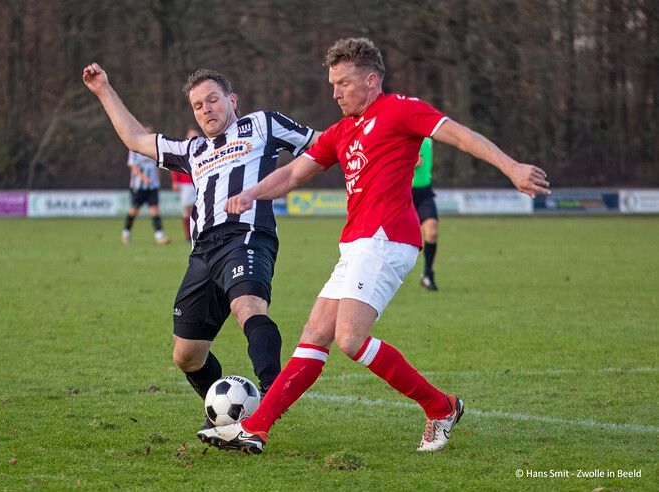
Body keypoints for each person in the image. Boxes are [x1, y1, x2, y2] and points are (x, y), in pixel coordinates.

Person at [198, 37, 550, 454]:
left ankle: (440, 407)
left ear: (370, 80)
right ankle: (256, 429)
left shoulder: (400, 109)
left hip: (388, 239)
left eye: (343, 83)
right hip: (356, 245)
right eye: (331, 84)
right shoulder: (341, 132)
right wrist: (252, 194)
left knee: (350, 338)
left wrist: (512, 168)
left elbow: (459, 135)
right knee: (314, 336)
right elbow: (292, 175)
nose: (334, 93)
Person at [83, 63, 319, 426]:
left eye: (213, 100)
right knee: (187, 355)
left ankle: (272, 396)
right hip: (202, 252)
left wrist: (382, 151)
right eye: (198, 105)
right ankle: (226, 417)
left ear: (232, 100)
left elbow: (324, 143)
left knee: (248, 307)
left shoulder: (263, 124)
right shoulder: (192, 150)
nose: (206, 109)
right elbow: (135, 139)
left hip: (246, 236)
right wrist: (103, 90)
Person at [121, 125, 171, 246]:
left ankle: (159, 236)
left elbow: (157, 166)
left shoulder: (153, 147)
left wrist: (157, 181)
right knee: (134, 210)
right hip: (138, 186)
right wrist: (143, 178)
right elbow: (133, 166)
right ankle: (126, 233)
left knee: (154, 209)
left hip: (152, 186)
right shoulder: (134, 148)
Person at [412, 137, 439, 290]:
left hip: (424, 192)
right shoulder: (402, 129)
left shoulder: (429, 133)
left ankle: (428, 274)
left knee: (432, 230)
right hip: (402, 192)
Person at [170, 129, 200, 242]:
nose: (194, 138)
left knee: (199, 209)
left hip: (198, 184)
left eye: (196, 136)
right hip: (186, 184)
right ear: (187, 136)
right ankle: (188, 235)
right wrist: (175, 181)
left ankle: (198, 233)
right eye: (192, 136)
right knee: (187, 209)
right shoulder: (183, 149)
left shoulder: (204, 149)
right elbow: (174, 167)